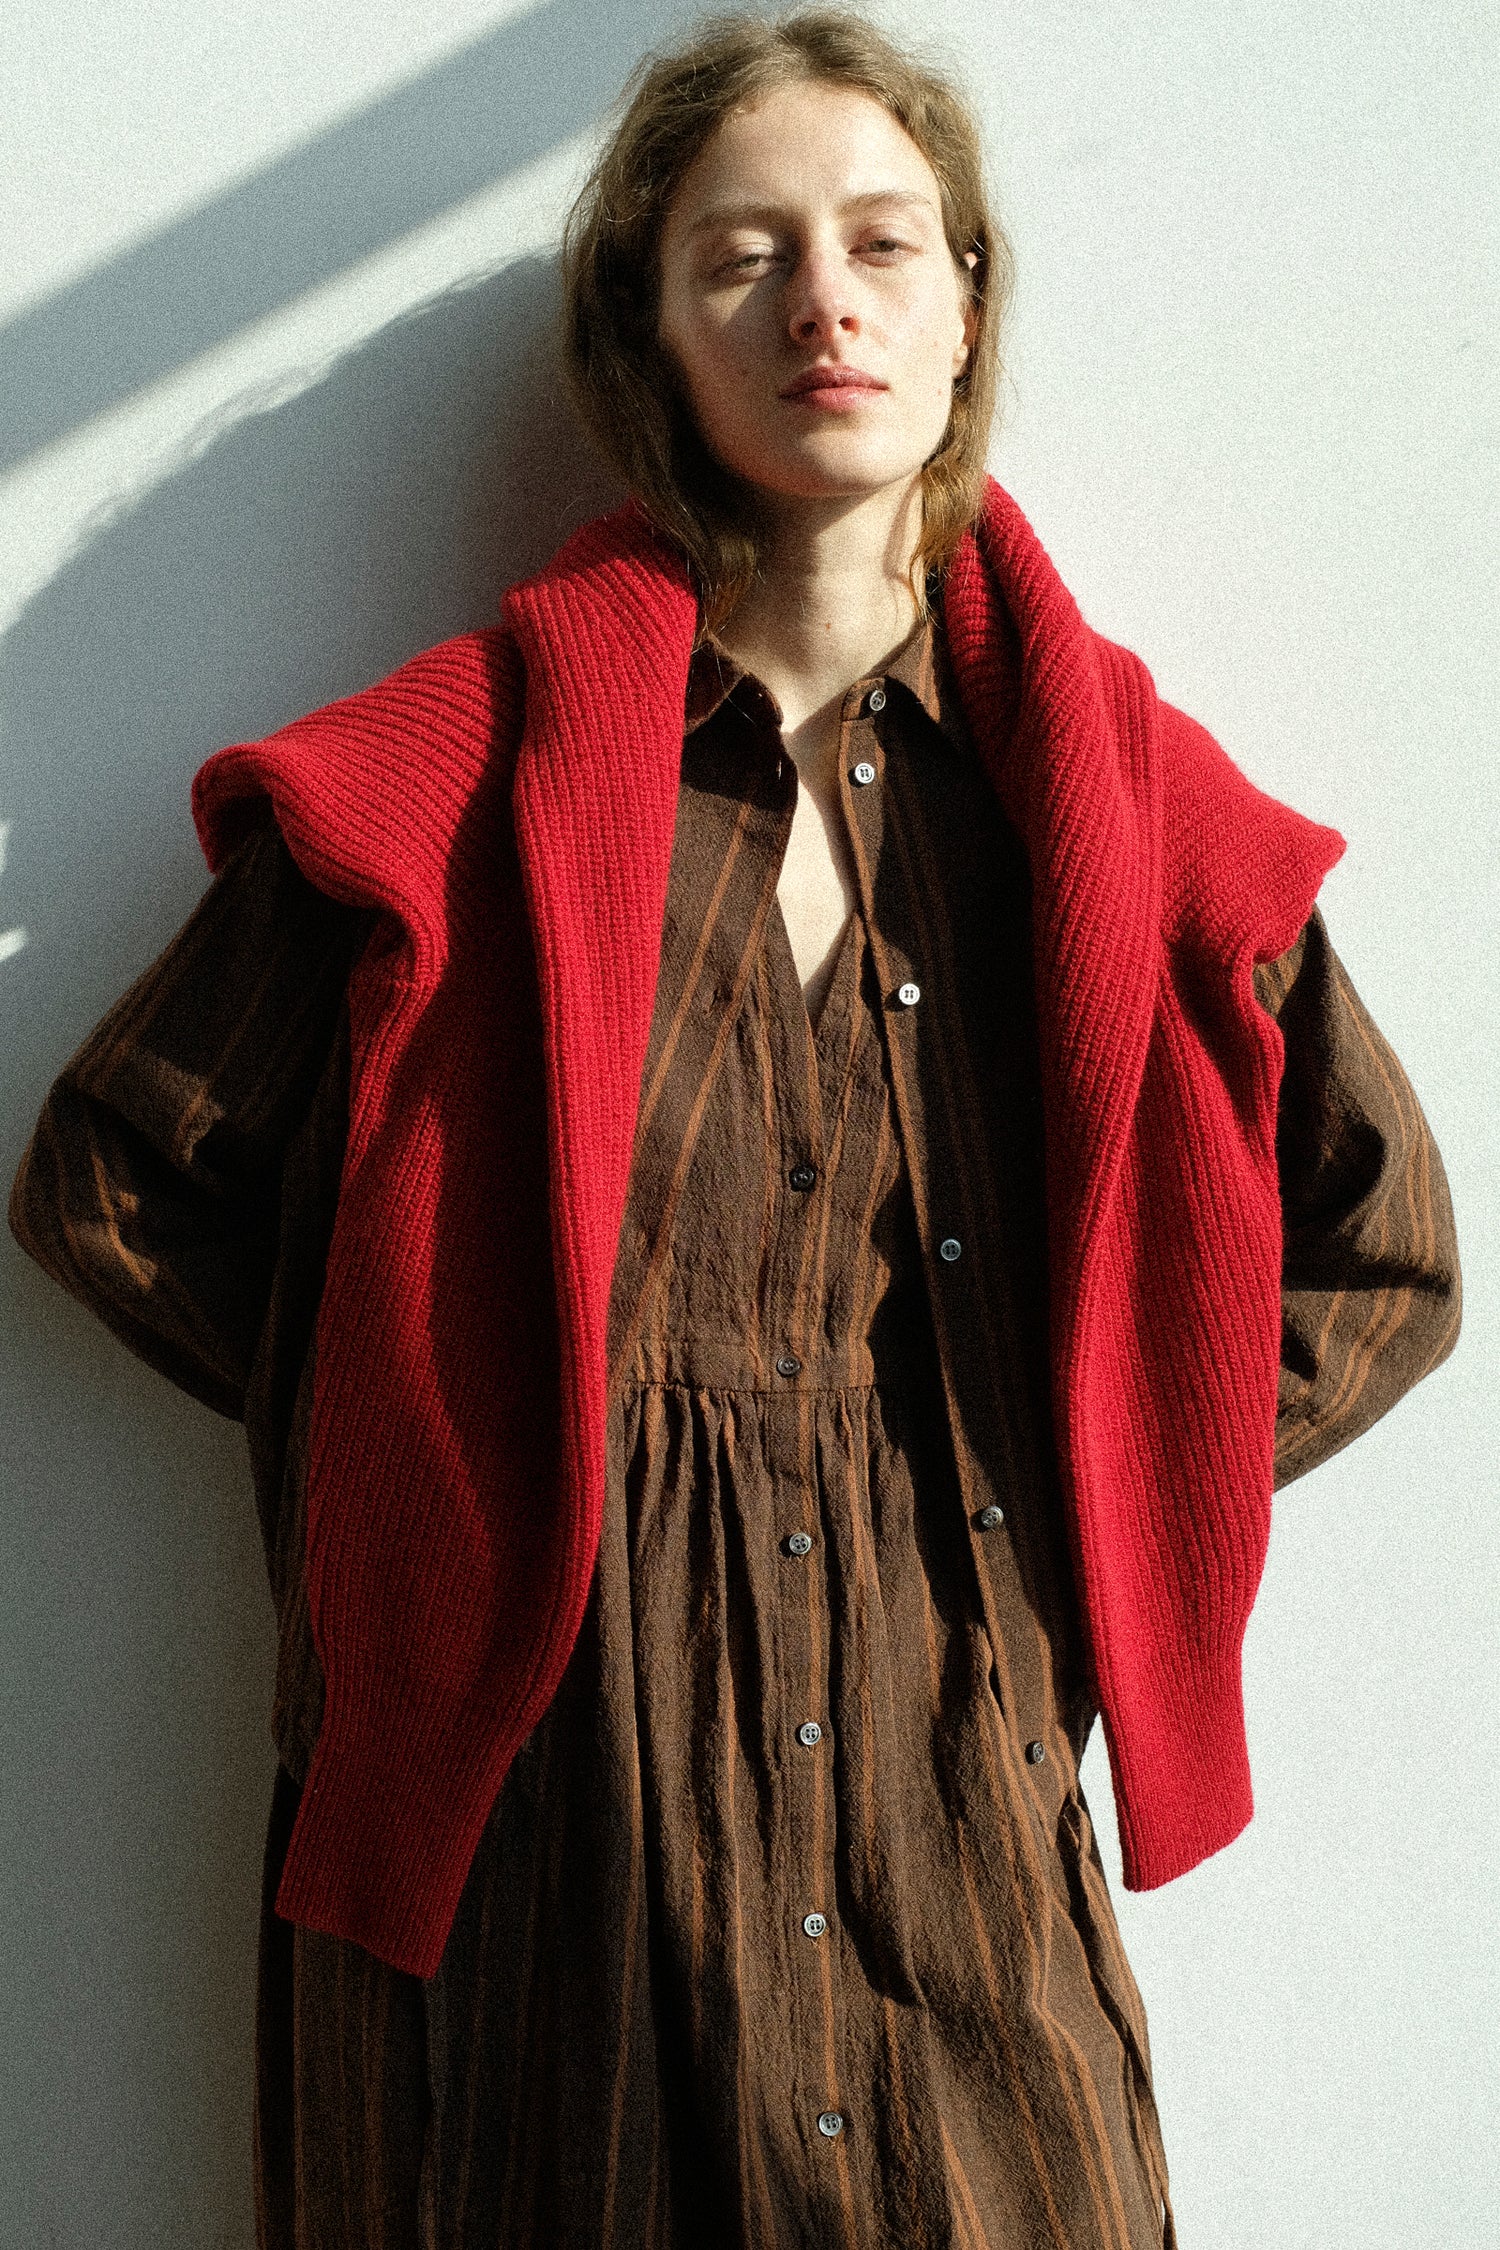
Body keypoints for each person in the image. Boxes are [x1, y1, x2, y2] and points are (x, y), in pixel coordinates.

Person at [8, 9, 1462, 2248]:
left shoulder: (1119, 820)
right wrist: (435, 1410)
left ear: (968, 307)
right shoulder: (463, 768)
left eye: (885, 243)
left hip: (950, 1776)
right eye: (743, 256)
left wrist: (1087, 1455)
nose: (824, 302)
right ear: (649, 332)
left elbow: (1381, 1254)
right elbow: (117, 1172)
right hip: (539, 1790)